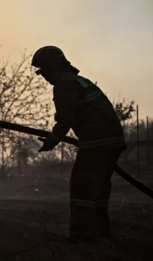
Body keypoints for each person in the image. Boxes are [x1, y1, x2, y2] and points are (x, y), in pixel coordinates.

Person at [31, 46, 126, 242]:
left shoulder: (64, 84)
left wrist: (52, 140)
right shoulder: (80, 81)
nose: (44, 77)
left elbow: (66, 118)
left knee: (82, 185)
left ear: (52, 67)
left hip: (96, 139)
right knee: (98, 188)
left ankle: (83, 235)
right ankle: (101, 233)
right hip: (112, 139)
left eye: (43, 72)